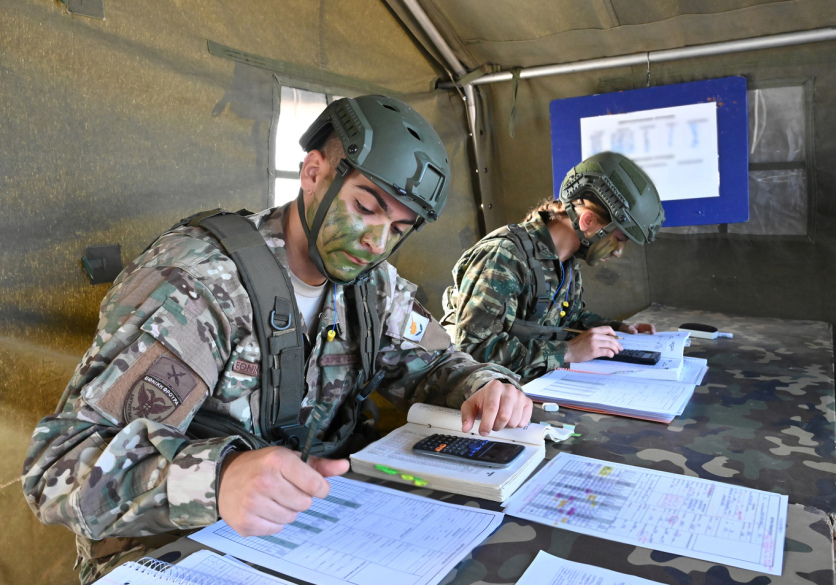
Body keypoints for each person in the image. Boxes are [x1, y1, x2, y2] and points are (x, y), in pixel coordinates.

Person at [22, 95, 531, 584]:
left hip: (309, 536)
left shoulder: (372, 287)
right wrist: (218, 481)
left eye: (399, 228)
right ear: (313, 174)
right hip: (175, 550)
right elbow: (57, 468)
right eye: (366, 207)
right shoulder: (199, 285)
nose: (377, 243)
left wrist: (483, 384)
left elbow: (437, 362)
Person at [441, 152, 665, 382]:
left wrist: (616, 329)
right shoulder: (504, 256)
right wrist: (568, 352)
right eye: (619, 239)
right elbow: (473, 350)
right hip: (483, 399)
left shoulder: (566, 263)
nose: (618, 252)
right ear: (587, 221)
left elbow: (567, 320)